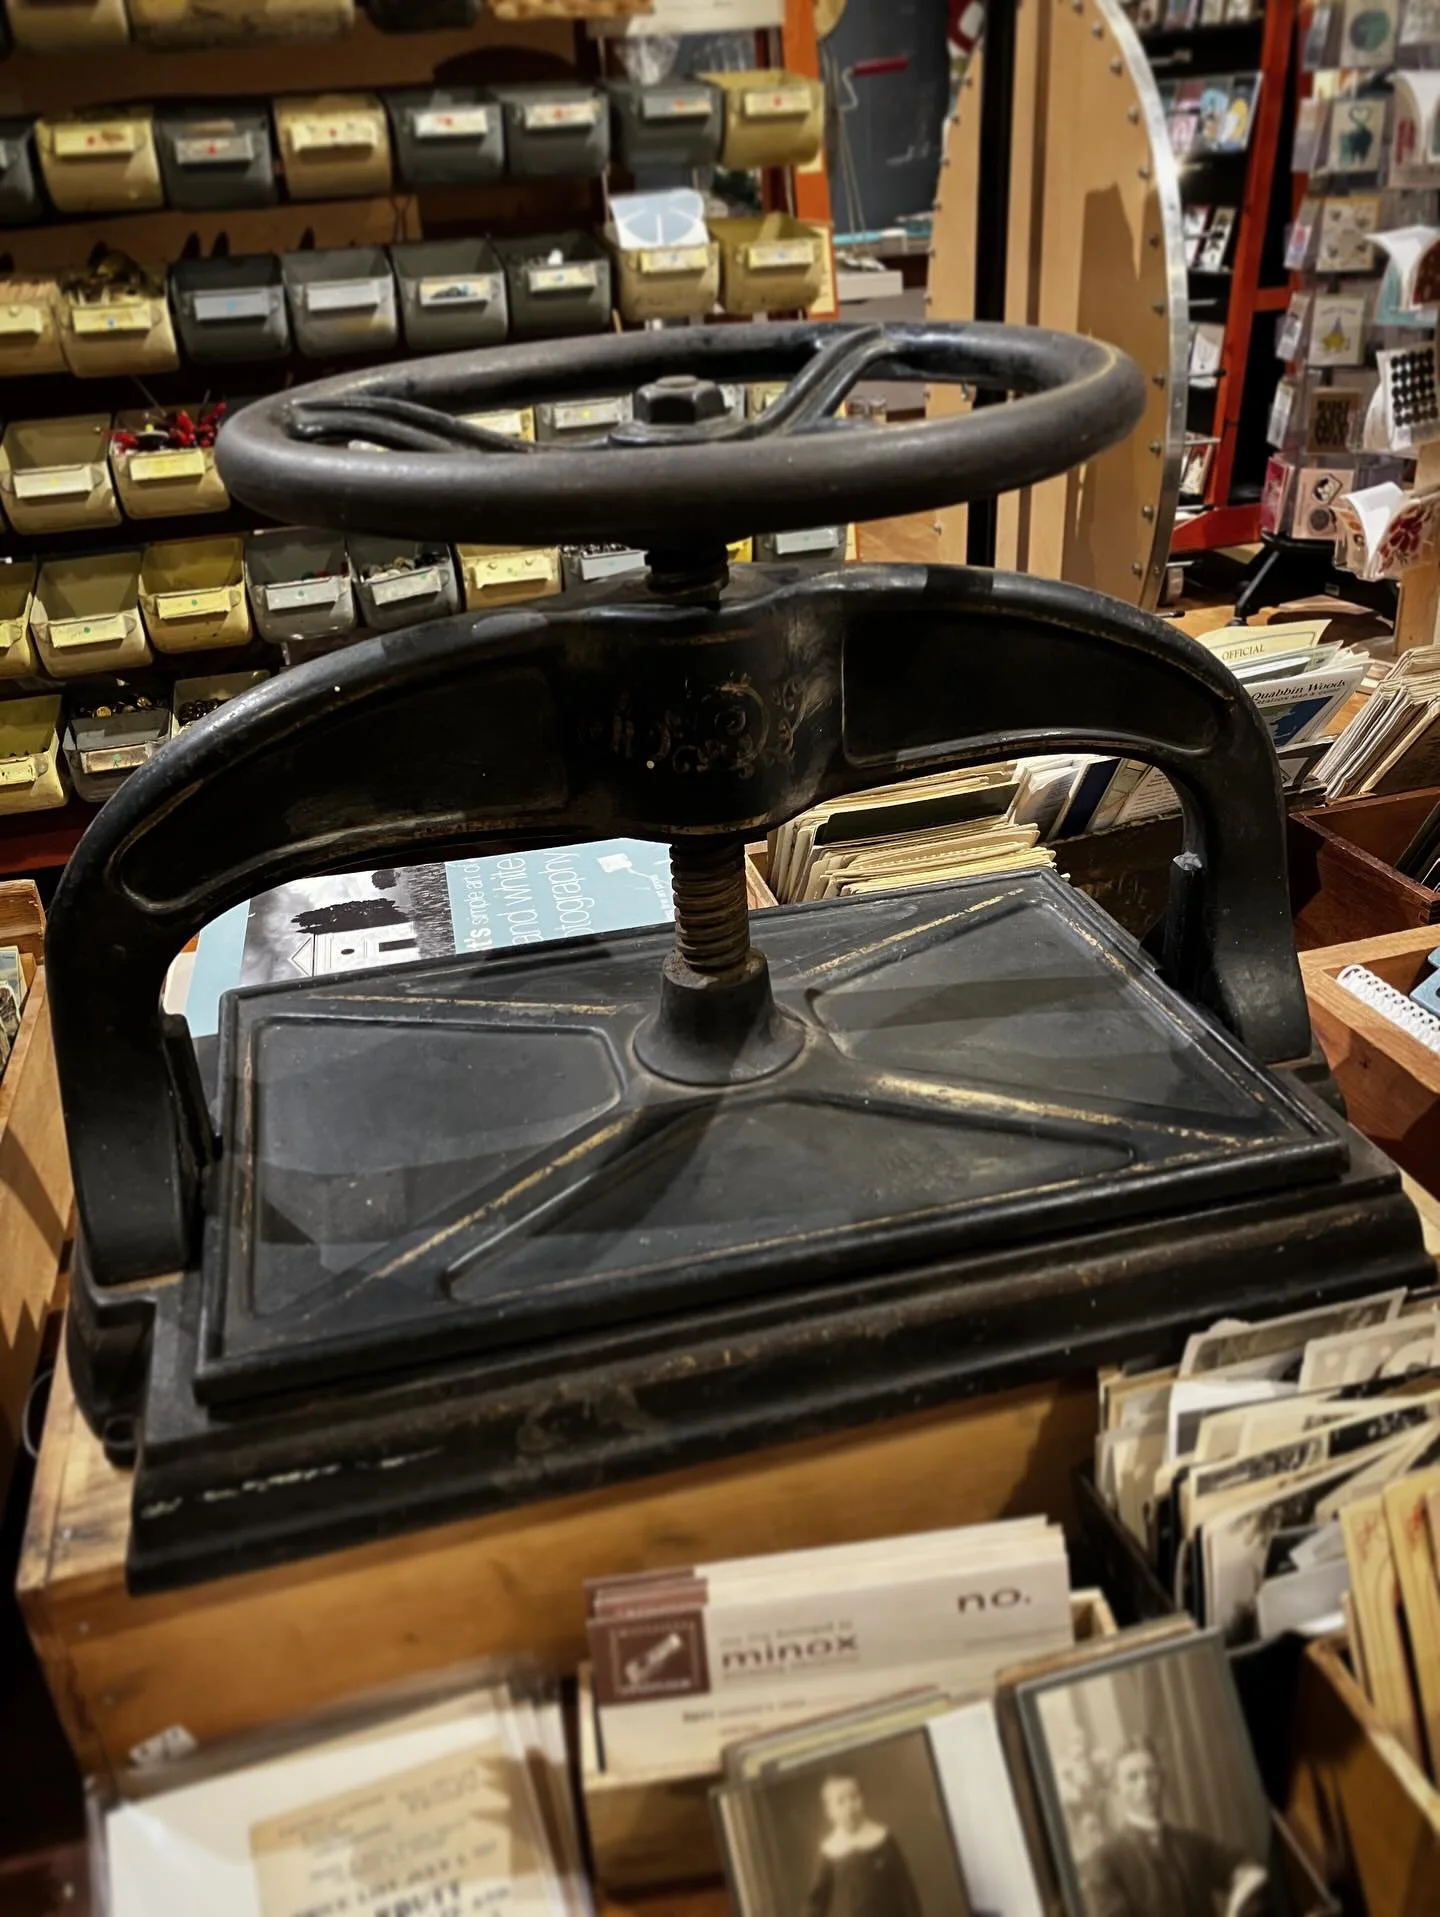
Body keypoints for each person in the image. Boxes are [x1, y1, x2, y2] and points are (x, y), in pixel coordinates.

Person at [1080, 1736, 1270, 1917]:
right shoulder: (1104, 1862)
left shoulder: (1192, 1844)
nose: (1145, 1785)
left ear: (1162, 1780)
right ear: (1116, 1789)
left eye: (1150, 1773)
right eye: (1132, 1777)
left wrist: (1236, 1909)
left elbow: (1248, 1871)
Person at [803, 1771, 923, 1917]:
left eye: (854, 1797)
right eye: (840, 1801)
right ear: (829, 1812)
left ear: (862, 1799)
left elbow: (906, 1891)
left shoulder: (883, 1839)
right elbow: (816, 1903)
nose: (850, 1806)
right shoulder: (829, 1852)